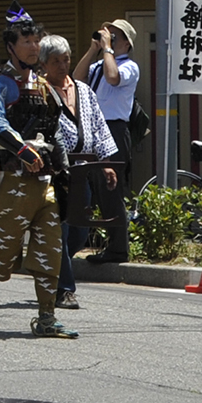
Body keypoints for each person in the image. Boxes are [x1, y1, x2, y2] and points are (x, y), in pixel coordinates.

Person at [0, 7, 79, 339]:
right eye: (26, 40)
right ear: (11, 46)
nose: (33, 45)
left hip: (46, 181)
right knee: (0, 251)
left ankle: (46, 316)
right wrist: (23, 149)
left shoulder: (44, 85)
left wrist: (65, 166)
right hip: (14, 179)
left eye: (36, 39)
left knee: (50, 250)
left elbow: (55, 129)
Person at [38, 34, 118, 312]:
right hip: (53, 171)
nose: (62, 66)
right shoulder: (40, 91)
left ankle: (55, 266)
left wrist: (106, 162)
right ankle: (65, 289)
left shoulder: (84, 91)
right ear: (44, 64)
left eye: (66, 59)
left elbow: (98, 127)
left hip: (82, 169)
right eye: (55, 61)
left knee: (79, 233)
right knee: (59, 231)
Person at [75, 18, 139, 264]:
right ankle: (107, 243)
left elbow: (113, 78)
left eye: (114, 35)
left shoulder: (130, 66)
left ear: (126, 42)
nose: (108, 38)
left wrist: (108, 49)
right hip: (94, 128)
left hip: (114, 128)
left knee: (111, 191)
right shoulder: (100, 64)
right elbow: (78, 79)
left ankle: (118, 248)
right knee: (98, 190)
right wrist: (93, 50)